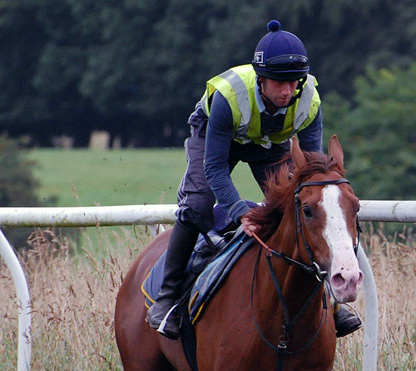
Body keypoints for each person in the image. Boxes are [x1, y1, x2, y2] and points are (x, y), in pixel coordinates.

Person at [147, 19, 362, 340]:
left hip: (269, 145)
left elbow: (312, 173)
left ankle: (329, 302)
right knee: (197, 205)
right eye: (278, 83)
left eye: (294, 83)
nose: (287, 92)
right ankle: (166, 299)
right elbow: (216, 168)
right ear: (260, 79)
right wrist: (238, 212)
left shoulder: (310, 100)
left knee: (301, 211)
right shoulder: (228, 97)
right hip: (216, 139)